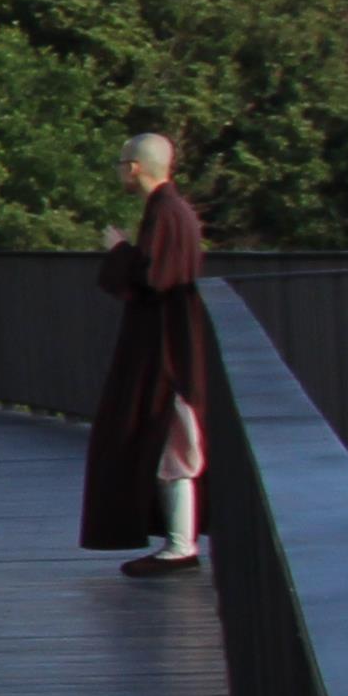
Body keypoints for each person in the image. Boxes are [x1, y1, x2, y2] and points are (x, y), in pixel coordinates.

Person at [85, 132, 216, 574]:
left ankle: (180, 547)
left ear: (134, 167)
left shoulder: (166, 213)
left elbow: (153, 279)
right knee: (171, 444)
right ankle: (180, 543)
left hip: (166, 352)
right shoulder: (171, 211)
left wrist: (119, 251)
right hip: (168, 345)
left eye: (122, 164)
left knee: (172, 444)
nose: (120, 172)